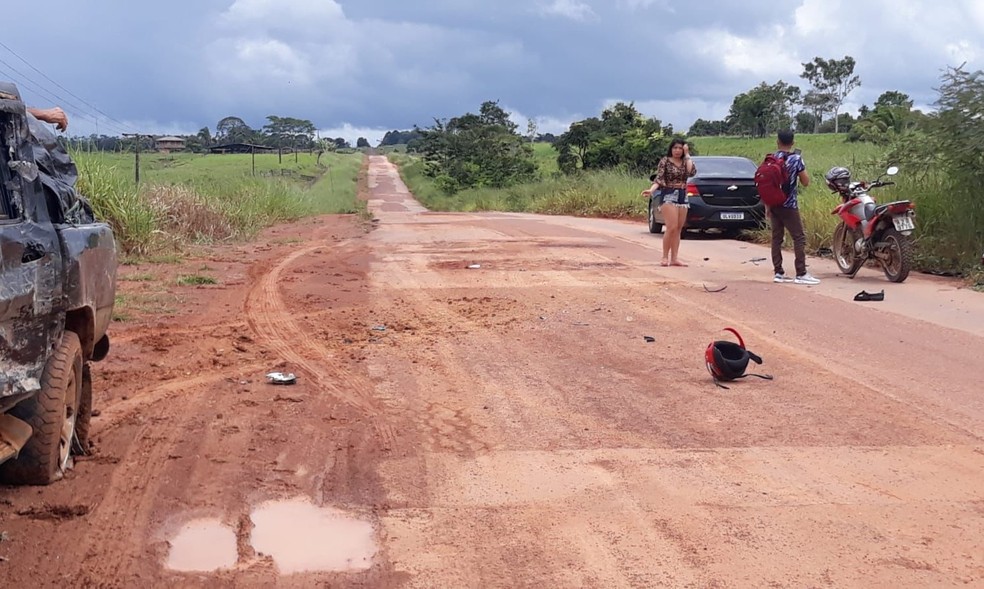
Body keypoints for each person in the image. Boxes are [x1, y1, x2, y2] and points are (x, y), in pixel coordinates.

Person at [768, 130, 819, 285]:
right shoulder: (796, 159)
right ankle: (801, 273)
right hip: (789, 205)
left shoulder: (771, 158)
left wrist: (767, 207)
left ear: (777, 142)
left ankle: (778, 273)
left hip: (774, 204)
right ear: (793, 143)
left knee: (776, 238)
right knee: (798, 237)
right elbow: (805, 182)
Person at [650, 138, 696, 266]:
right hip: (669, 193)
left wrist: (687, 155)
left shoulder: (685, 161)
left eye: (680, 148)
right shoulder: (665, 161)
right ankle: (664, 257)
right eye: (675, 148)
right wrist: (651, 190)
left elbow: (691, 171)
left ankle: (674, 258)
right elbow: (659, 179)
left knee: (678, 229)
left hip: (683, 194)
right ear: (671, 149)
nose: (677, 151)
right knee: (671, 227)